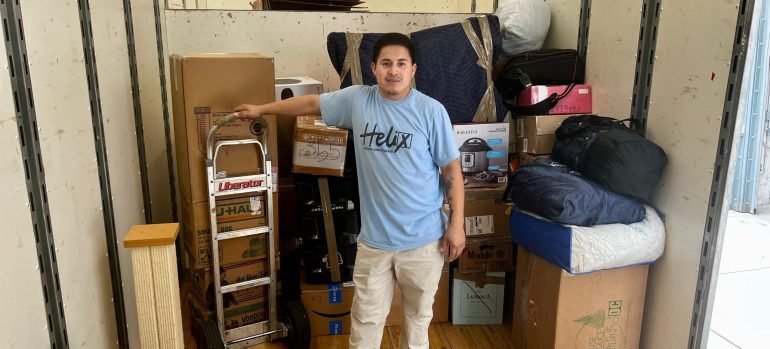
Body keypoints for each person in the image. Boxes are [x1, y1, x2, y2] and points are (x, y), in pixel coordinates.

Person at [233, 32, 465, 349]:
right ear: (373, 68)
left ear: (413, 69)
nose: (393, 71)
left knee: (417, 323)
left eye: (401, 64)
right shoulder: (359, 100)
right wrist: (262, 109)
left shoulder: (431, 111)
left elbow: (451, 169)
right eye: (386, 63)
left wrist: (457, 225)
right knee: (365, 325)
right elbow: (312, 102)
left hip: (423, 241)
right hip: (374, 242)